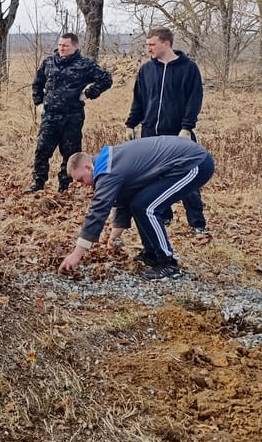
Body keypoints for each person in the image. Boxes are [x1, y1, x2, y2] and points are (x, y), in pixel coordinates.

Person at [59, 136, 215, 280]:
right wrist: (115, 235)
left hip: (193, 163)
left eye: (81, 180)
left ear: (88, 167)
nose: (83, 185)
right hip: (180, 162)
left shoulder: (107, 171)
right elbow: (125, 198)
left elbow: (98, 210)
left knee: (148, 208)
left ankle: (168, 264)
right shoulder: (109, 162)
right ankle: (152, 254)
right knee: (139, 204)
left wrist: (77, 254)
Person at [125, 27, 209, 234]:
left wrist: (187, 127)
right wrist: (131, 124)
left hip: (178, 134)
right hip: (150, 133)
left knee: (187, 178)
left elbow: (194, 99)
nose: (148, 49)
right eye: (147, 45)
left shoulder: (188, 68)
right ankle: (163, 215)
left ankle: (197, 224)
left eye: (152, 44)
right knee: (153, 178)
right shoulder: (146, 69)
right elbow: (139, 100)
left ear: (166, 43)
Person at [26, 33, 113, 193]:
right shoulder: (49, 62)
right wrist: (38, 103)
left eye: (65, 46)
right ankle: (38, 183)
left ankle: (64, 187)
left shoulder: (84, 65)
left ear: (75, 46)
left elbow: (106, 79)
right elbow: (37, 84)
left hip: (72, 117)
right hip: (50, 116)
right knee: (42, 150)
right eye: (60, 45)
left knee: (70, 153)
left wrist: (88, 93)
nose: (61, 48)